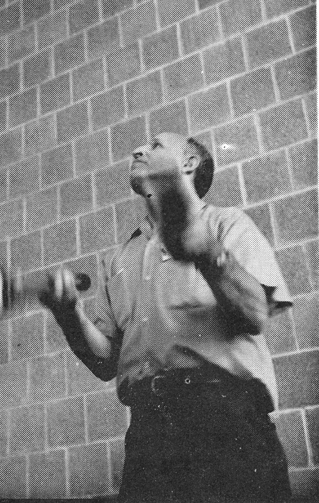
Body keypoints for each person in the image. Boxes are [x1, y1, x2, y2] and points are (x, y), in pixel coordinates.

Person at [39, 132, 292, 503]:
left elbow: (255, 314)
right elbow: (106, 361)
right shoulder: (121, 257)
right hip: (148, 432)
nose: (137, 149)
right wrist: (67, 312)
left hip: (225, 420)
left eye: (156, 145)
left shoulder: (227, 224)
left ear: (189, 164)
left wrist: (208, 252)